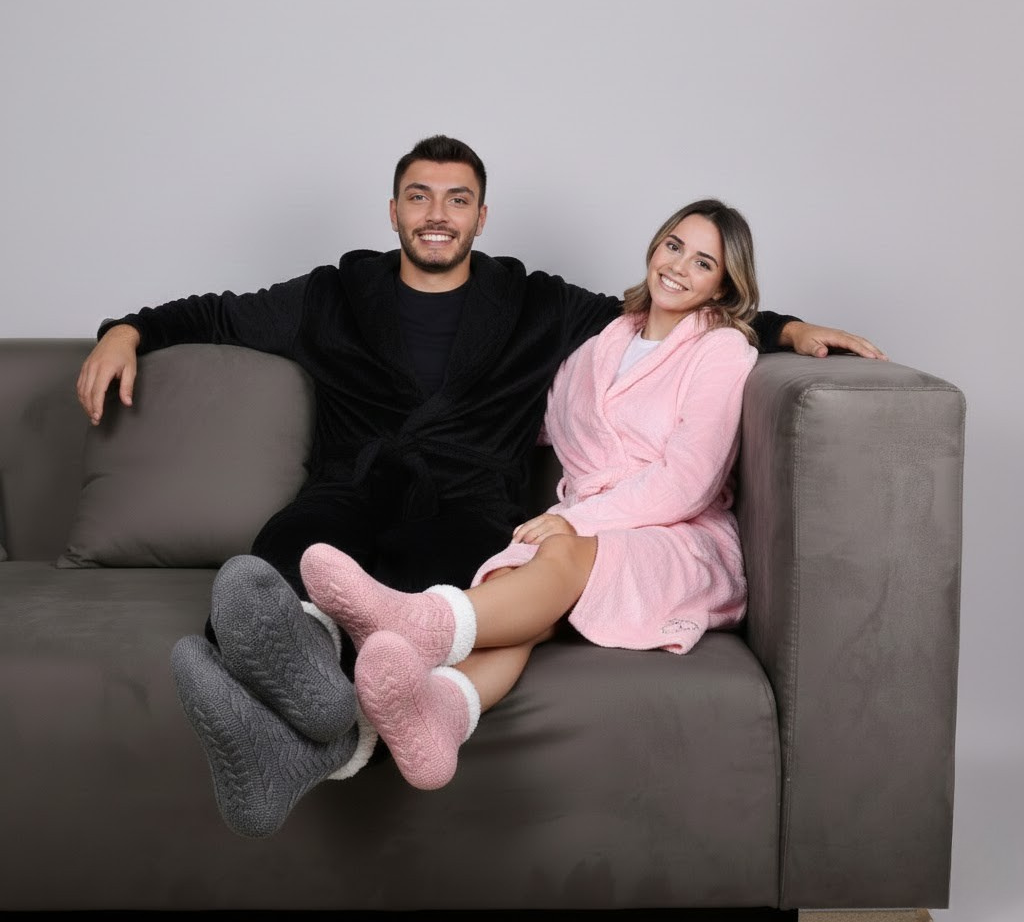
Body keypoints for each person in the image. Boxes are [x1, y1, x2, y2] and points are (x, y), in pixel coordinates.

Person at [75, 135, 885, 837]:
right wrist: (127, 330)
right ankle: (306, 685)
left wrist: (789, 329)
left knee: (430, 577)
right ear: (393, 210)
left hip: (466, 505)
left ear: (481, 217)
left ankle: (311, 689)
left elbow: (681, 318)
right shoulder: (333, 292)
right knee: (283, 552)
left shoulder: (537, 303)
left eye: (457, 199)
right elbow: (218, 314)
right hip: (349, 485)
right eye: (419, 196)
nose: (438, 213)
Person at [299, 197, 761, 793]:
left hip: (678, 536)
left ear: (723, 286)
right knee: (515, 592)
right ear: (655, 247)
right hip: (585, 523)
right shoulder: (602, 344)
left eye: (703, 263)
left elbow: (688, 482)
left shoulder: (721, 351)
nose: (678, 267)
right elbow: (530, 419)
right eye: (674, 246)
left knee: (556, 551)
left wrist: (578, 521)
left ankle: (418, 621)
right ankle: (440, 715)